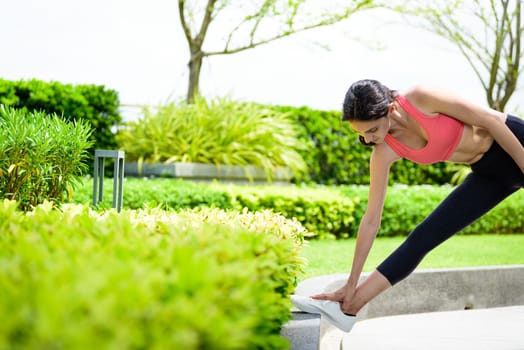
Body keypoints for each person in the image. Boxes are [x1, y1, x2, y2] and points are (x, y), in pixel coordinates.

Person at [291, 79, 524, 332]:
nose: (368, 140)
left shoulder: (422, 97)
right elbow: (371, 220)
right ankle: (350, 305)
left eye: (372, 131)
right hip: (489, 173)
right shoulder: (384, 151)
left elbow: (491, 121)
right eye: (361, 135)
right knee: (423, 237)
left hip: (514, 141)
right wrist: (351, 280)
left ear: (390, 109)